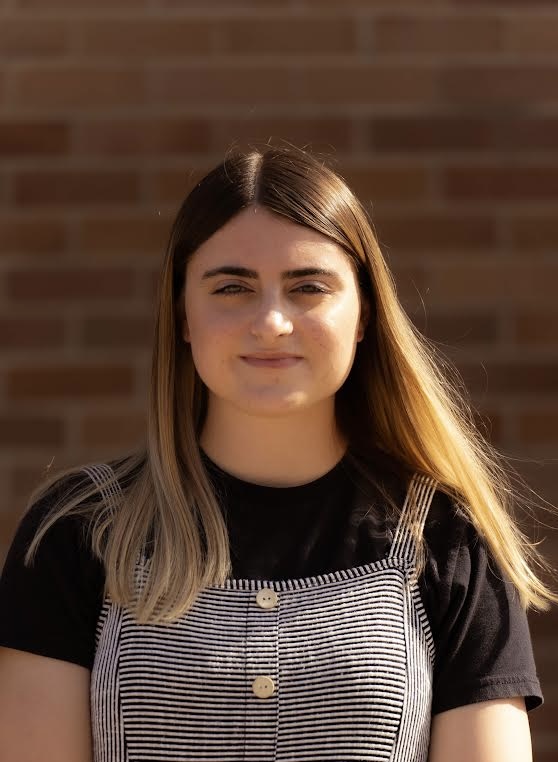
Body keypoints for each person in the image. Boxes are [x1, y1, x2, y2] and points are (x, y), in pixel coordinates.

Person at [0, 143, 555, 762]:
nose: (271, 321)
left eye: (308, 287)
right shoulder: (79, 531)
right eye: (233, 287)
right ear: (183, 314)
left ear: (365, 313)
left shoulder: (450, 540)